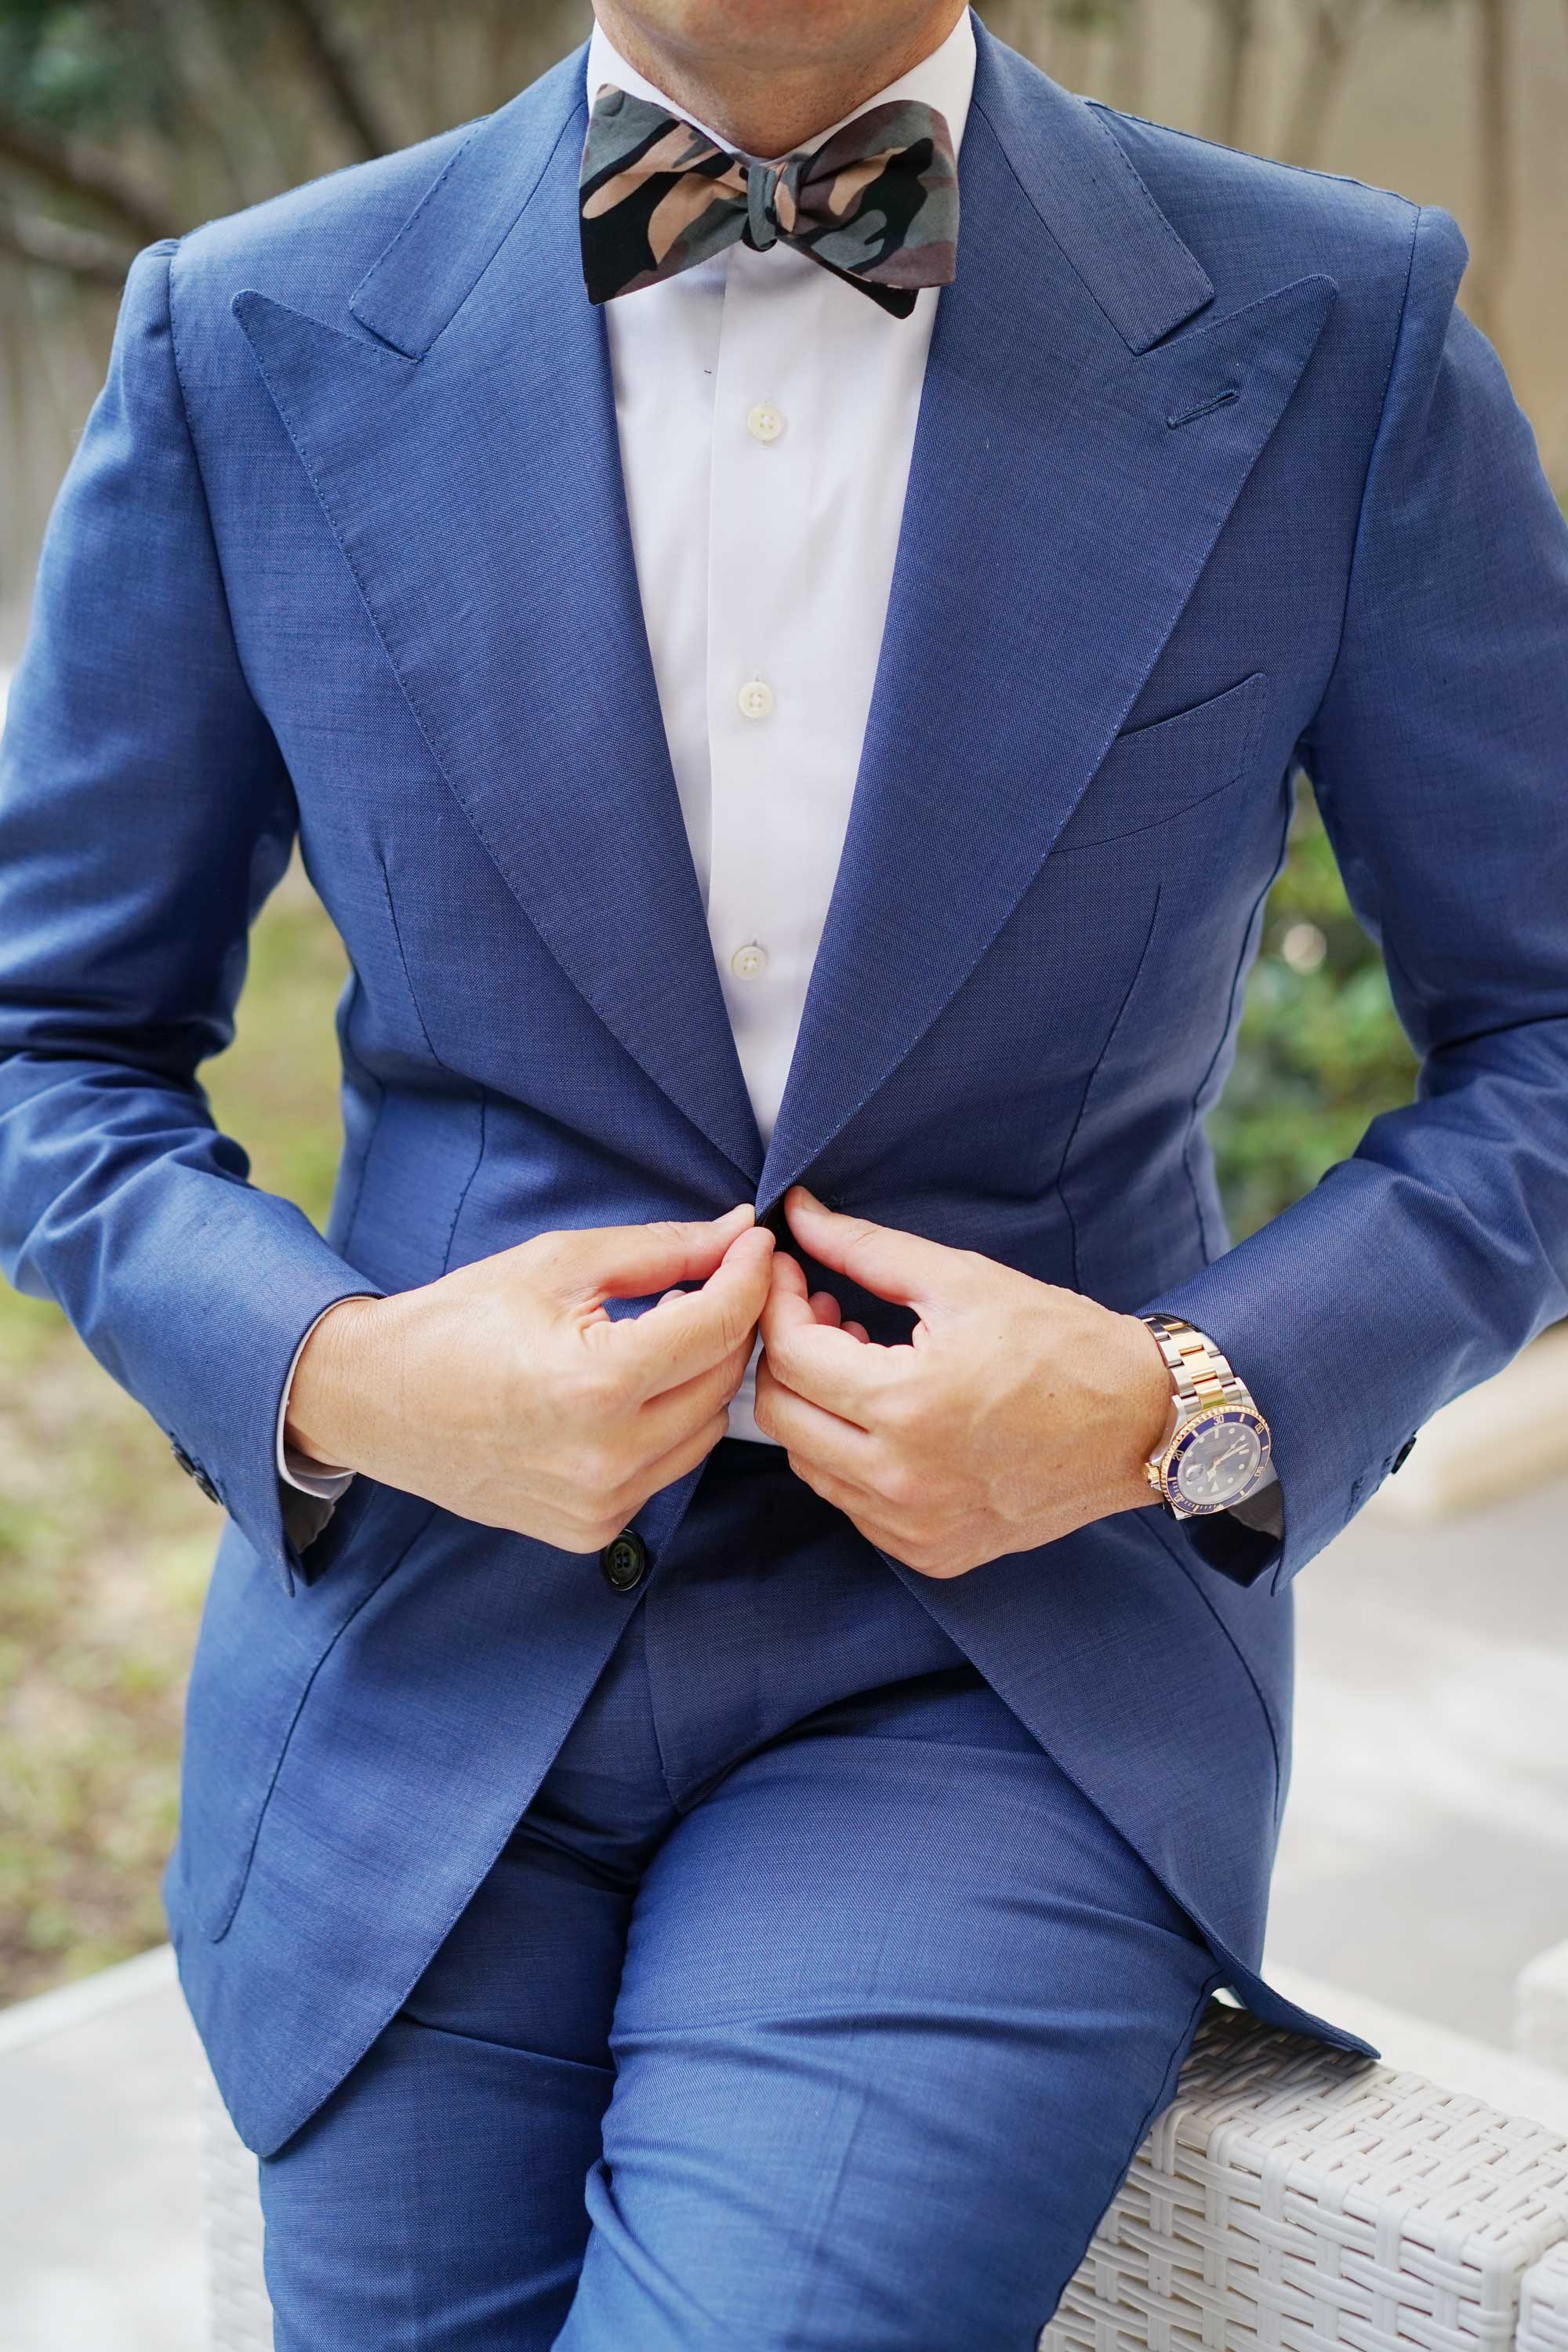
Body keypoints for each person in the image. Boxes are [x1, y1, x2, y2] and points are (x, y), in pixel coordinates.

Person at [2, 0, 1566, 2341]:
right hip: (418, 1676)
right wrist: (334, 1372)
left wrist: (1178, 1397)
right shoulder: (243, 330)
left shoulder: (1334, 321)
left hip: (993, 1667)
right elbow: (52, 1035)